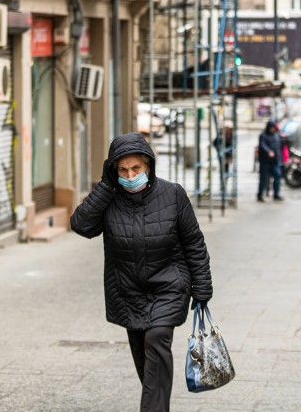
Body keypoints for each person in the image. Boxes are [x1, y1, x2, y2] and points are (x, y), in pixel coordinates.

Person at [70, 133, 213, 412]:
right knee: (146, 361)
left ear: (148, 166)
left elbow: (194, 242)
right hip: (127, 291)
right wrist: (105, 186)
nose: (130, 175)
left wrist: (202, 285)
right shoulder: (109, 198)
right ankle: (158, 404)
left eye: (136, 168)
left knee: (156, 338)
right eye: (122, 170)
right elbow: (81, 225)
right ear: (114, 171)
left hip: (169, 286)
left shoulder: (173, 194)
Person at [257, 120, 283, 202]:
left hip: (274, 161)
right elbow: (262, 145)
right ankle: (260, 194)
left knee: (277, 176)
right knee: (263, 179)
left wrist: (280, 157)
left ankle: (276, 194)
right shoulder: (263, 136)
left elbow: (278, 147)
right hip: (265, 161)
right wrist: (269, 151)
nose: (273, 130)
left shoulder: (276, 136)